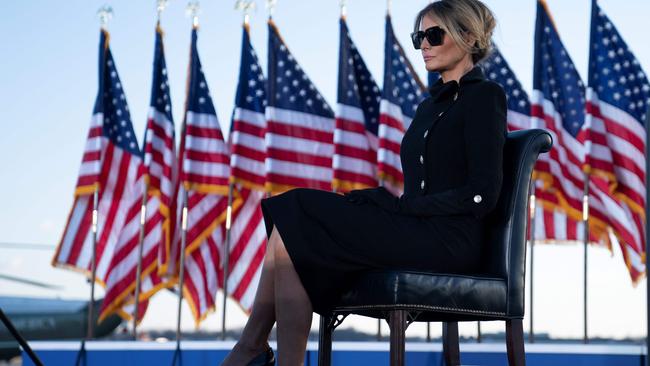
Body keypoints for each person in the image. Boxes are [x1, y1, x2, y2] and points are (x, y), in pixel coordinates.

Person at [221, 0, 506, 364]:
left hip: (451, 241)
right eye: (419, 36)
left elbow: (483, 194)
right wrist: (395, 206)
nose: (424, 45)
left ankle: (251, 349)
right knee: (290, 220)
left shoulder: (485, 97)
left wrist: (404, 207)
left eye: (434, 35)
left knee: (297, 210)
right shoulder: (428, 108)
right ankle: (259, 349)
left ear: (468, 37)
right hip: (416, 230)